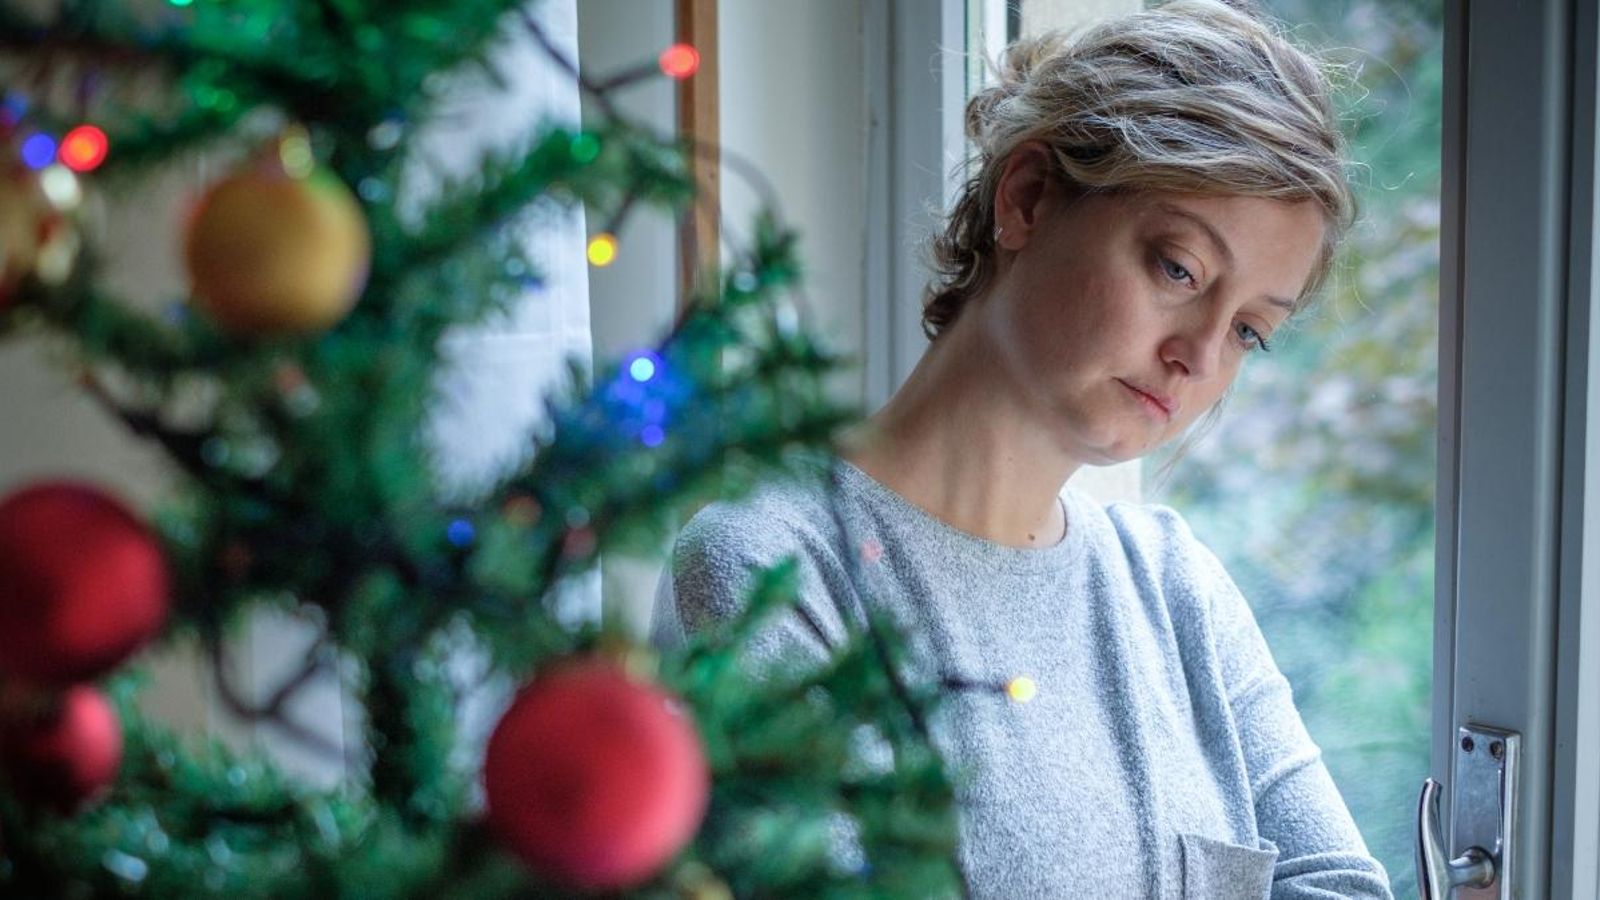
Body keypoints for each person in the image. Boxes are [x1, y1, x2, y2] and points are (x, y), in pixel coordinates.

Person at [651, 1, 1394, 896]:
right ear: (1028, 198)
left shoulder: (1175, 589)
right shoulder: (771, 571)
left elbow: (1344, 885)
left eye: (1248, 330)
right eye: (1178, 269)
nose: (1197, 356)